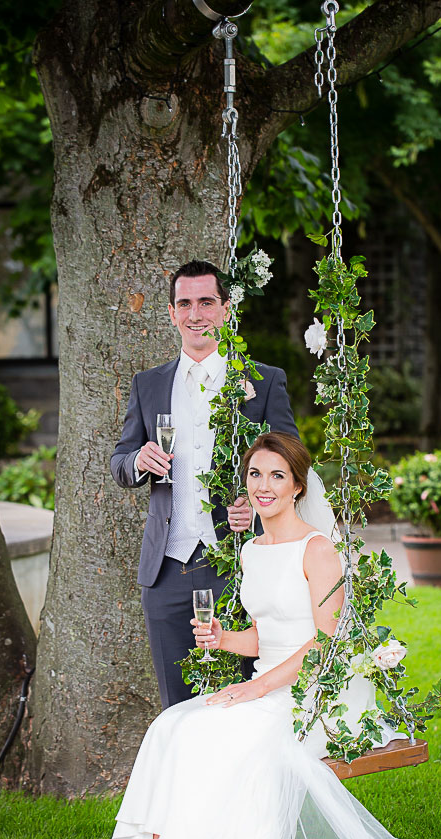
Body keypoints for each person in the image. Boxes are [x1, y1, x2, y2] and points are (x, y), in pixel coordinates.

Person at [0, 433, 441, 839]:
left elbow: (322, 643)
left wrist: (255, 689)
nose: (262, 487)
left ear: (297, 487)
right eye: (254, 475)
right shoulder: (251, 550)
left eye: (276, 476)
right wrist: (224, 638)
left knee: (228, 733)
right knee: (175, 724)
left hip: (318, 691)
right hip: (271, 680)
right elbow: (267, 634)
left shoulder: (318, 549)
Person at [110, 260, 298, 709]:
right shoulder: (147, 384)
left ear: (226, 309)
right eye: (185, 304)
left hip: (239, 564)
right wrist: (138, 459)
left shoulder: (262, 381)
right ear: (172, 314)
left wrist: (257, 504)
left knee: (241, 698)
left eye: (207, 302)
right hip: (166, 569)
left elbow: (291, 462)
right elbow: (119, 462)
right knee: (177, 705)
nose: (196, 314)